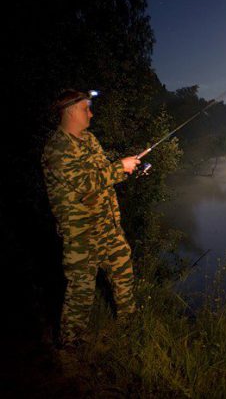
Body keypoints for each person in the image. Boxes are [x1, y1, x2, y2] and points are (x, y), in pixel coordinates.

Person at [41, 89, 141, 347]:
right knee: (81, 291)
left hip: (108, 227)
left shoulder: (89, 139)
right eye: (87, 108)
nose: (91, 113)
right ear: (71, 110)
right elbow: (86, 183)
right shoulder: (57, 149)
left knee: (123, 273)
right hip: (81, 234)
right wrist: (120, 167)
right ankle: (71, 345)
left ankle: (129, 327)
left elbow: (103, 174)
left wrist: (125, 169)